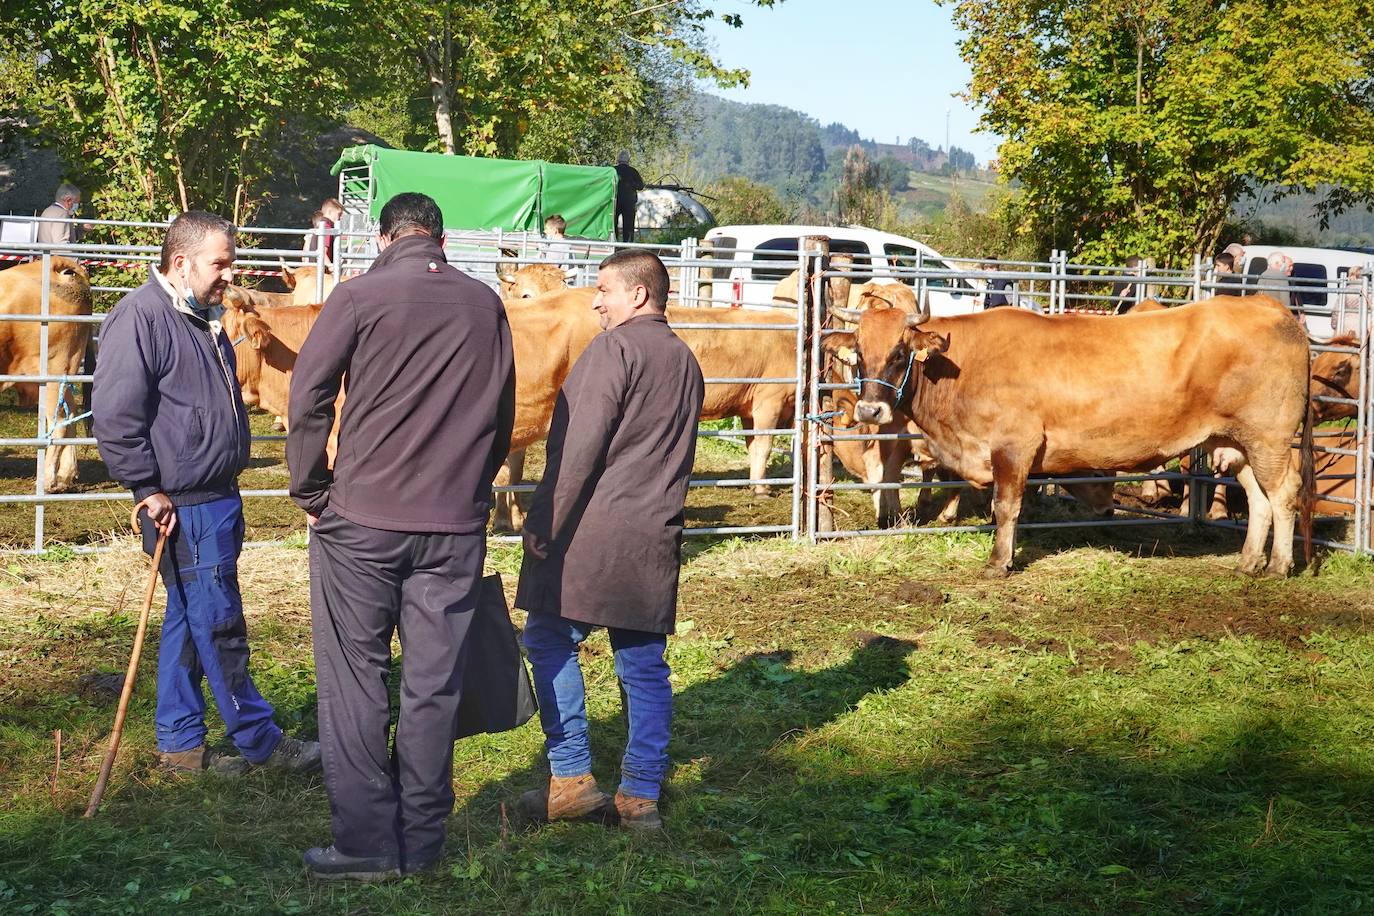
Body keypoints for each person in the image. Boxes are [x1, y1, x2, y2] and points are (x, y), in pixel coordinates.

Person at [288, 192, 515, 881]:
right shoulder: (486, 306)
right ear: (439, 238)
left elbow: (308, 394)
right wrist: (473, 490)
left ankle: (364, 844)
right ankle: (422, 843)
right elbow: (502, 412)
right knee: (432, 683)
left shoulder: (358, 297)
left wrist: (310, 488)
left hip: (361, 519)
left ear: (385, 237)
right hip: (452, 523)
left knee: (356, 680)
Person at [92, 211, 322, 777]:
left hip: (215, 495)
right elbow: (116, 418)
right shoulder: (140, 319)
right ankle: (261, 742)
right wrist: (146, 487)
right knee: (217, 621)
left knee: (189, 619)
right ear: (180, 262)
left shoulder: (201, 318)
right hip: (183, 505)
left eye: (230, 262)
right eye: (219, 263)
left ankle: (179, 745)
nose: (229, 275)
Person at [515, 248, 705, 832]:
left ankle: (572, 777)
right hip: (654, 535)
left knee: (548, 640)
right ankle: (640, 795)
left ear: (638, 295)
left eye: (604, 290)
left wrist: (544, 521)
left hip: (593, 535)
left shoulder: (613, 349)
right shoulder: (685, 360)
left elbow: (576, 452)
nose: (596, 301)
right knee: (644, 664)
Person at [613, 151, 645, 244]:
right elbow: (641, 186)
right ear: (628, 160)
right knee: (628, 226)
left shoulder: (612, 170)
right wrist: (632, 185)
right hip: (629, 202)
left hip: (615, 201)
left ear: (618, 160)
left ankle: (613, 243)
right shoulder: (633, 171)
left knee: (613, 224)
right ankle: (627, 245)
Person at [1331, 266, 1367, 336]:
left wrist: (1334, 325)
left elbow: (1336, 310)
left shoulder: (1345, 290)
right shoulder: (1369, 290)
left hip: (1345, 324)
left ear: (1352, 276)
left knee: (1343, 345)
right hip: (1364, 325)